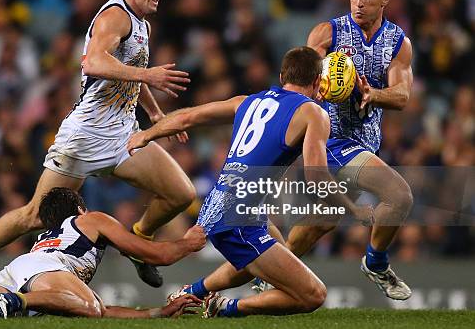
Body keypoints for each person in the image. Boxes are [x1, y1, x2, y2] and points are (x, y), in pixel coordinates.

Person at [0, 0, 196, 291]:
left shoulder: (143, 25)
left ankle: (141, 240)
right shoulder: (116, 15)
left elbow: (131, 71)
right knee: (35, 215)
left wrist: (154, 112)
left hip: (123, 135)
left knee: (180, 195)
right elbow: (93, 63)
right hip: (85, 137)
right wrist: (149, 77)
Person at [127, 47, 373, 317]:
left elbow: (187, 117)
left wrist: (146, 135)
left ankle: (192, 292)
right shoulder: (314, 113)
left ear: (282, 76)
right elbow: (316, 176)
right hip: (239, 217)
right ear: (317, 81)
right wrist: (354, 209)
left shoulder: (248, 100)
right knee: (314, 295)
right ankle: (225, 307)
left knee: (271, 254)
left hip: (225, 205)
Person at [281, 0, 414, 301]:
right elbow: (298, 84)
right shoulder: (328, 33)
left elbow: (402, 96)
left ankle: (271, 274)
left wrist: (373, 94)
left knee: (320, 221)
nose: (358, 2)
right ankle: (376, 262)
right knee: (399, 196)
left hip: (366, 142)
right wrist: (320, 84)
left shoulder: (398, 43)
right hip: (332, 138)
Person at [0, 187, 205, 319]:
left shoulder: (44, 237)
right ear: (79, 207)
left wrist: (159, 313)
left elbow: (104, 309)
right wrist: (187, 244)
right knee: (89, 308)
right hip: (46, 271)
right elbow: (152, 254)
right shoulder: (92, 220)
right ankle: (17, 303)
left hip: (19, 268)